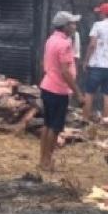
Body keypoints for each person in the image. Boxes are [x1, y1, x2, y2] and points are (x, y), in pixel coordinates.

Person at [39, 11, 83, 172]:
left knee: (47, 124)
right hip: (58, 90)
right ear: (65, 26)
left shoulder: (51, 40)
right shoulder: (65, 44)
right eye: (72, 23)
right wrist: (77, 92)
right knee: (55, 127)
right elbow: (65, 72)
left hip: (47, 86)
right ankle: (48, 162)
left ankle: (42, 159)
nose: (74, 26)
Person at [82, 2, 108, 121]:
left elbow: (92, 45)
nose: (99, 14)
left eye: (100, 12)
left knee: (89, 93)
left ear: (104, 13)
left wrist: (86, 60)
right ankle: (107, 123)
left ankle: (84, 120)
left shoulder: (97, 26)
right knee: (107, 95)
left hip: (96, 65)